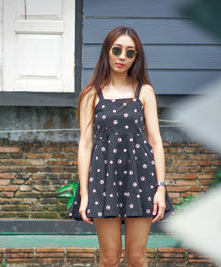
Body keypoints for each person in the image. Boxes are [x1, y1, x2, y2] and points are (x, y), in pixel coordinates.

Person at [69, 26, 174, 267]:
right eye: (117, 50)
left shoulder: (144, 92)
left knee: (137, 257)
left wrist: (160, 187)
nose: (122, 57)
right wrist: (85, 194)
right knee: (109, 257)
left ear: (136, 57)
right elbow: (85, 145)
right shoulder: (91, 94)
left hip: (141, 178)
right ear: (107, 51)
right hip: (103, 180)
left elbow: (156, 141)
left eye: (130, 53)